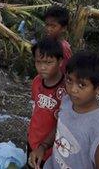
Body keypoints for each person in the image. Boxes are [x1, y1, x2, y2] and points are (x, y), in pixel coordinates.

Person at [30, 51, 99, 169]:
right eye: (69, 80)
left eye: (81, 85)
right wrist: (43, 146)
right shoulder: (67, 101)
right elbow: (61, 126)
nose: (72, 90)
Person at [27, 37, 66, 168]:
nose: (42, 67)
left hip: (51, 150)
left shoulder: (66, 90)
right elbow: (36, 109)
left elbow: (63, 123)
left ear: (60, 62)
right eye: (38, 62)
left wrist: (44, 145)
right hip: (33, 141)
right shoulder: (37, 81)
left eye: (48, 62)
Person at [44, 5, 72, 73]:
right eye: (47, 25)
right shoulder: (49, 43)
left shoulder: (63, 49)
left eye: (53, 26)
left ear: (64, 28)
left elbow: (64, 73)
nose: (48, 29)